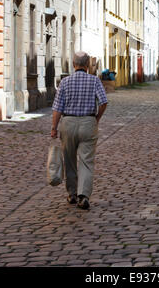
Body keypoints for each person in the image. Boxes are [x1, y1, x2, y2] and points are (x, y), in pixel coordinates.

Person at [51, 51, 108, 210]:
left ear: (74, 64)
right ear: (88, 65)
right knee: (86, 161)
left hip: (68, 123)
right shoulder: (94, 80)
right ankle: (84, 196)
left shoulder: (65, 82)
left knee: (69, 160)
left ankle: (72, 194)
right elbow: (103, 102)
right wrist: (96, 118)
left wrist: (54, 128)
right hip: (88, 122)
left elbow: (57, 108)